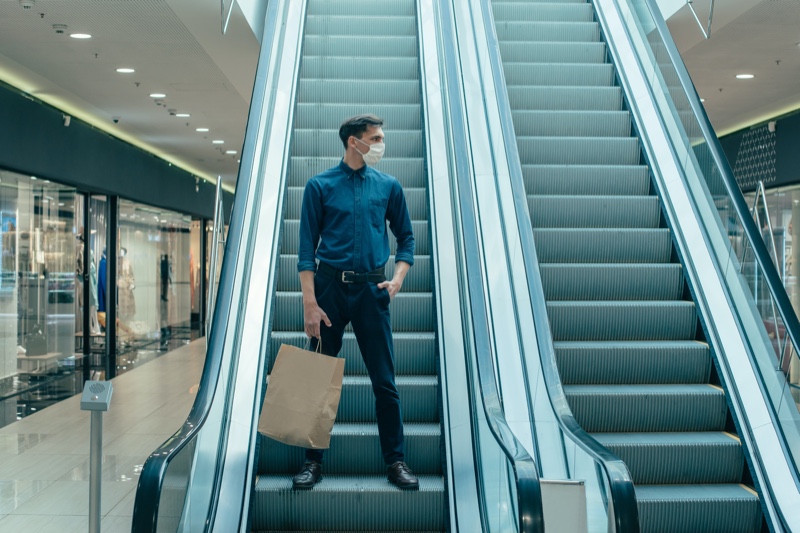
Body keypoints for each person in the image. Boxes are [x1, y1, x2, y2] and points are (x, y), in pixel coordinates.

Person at [293, 114, 418, 490]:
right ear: (353, 141)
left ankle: (395, 461)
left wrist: (396, 280)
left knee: (385, 381)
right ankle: (312, 462)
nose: (381, 143)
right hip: (329, 289)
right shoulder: (319, 186)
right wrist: (310, 304)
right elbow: (304, 251)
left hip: (370, 291)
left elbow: (407, 240)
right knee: (318, 379)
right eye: (375, 138)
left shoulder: (389, 186)